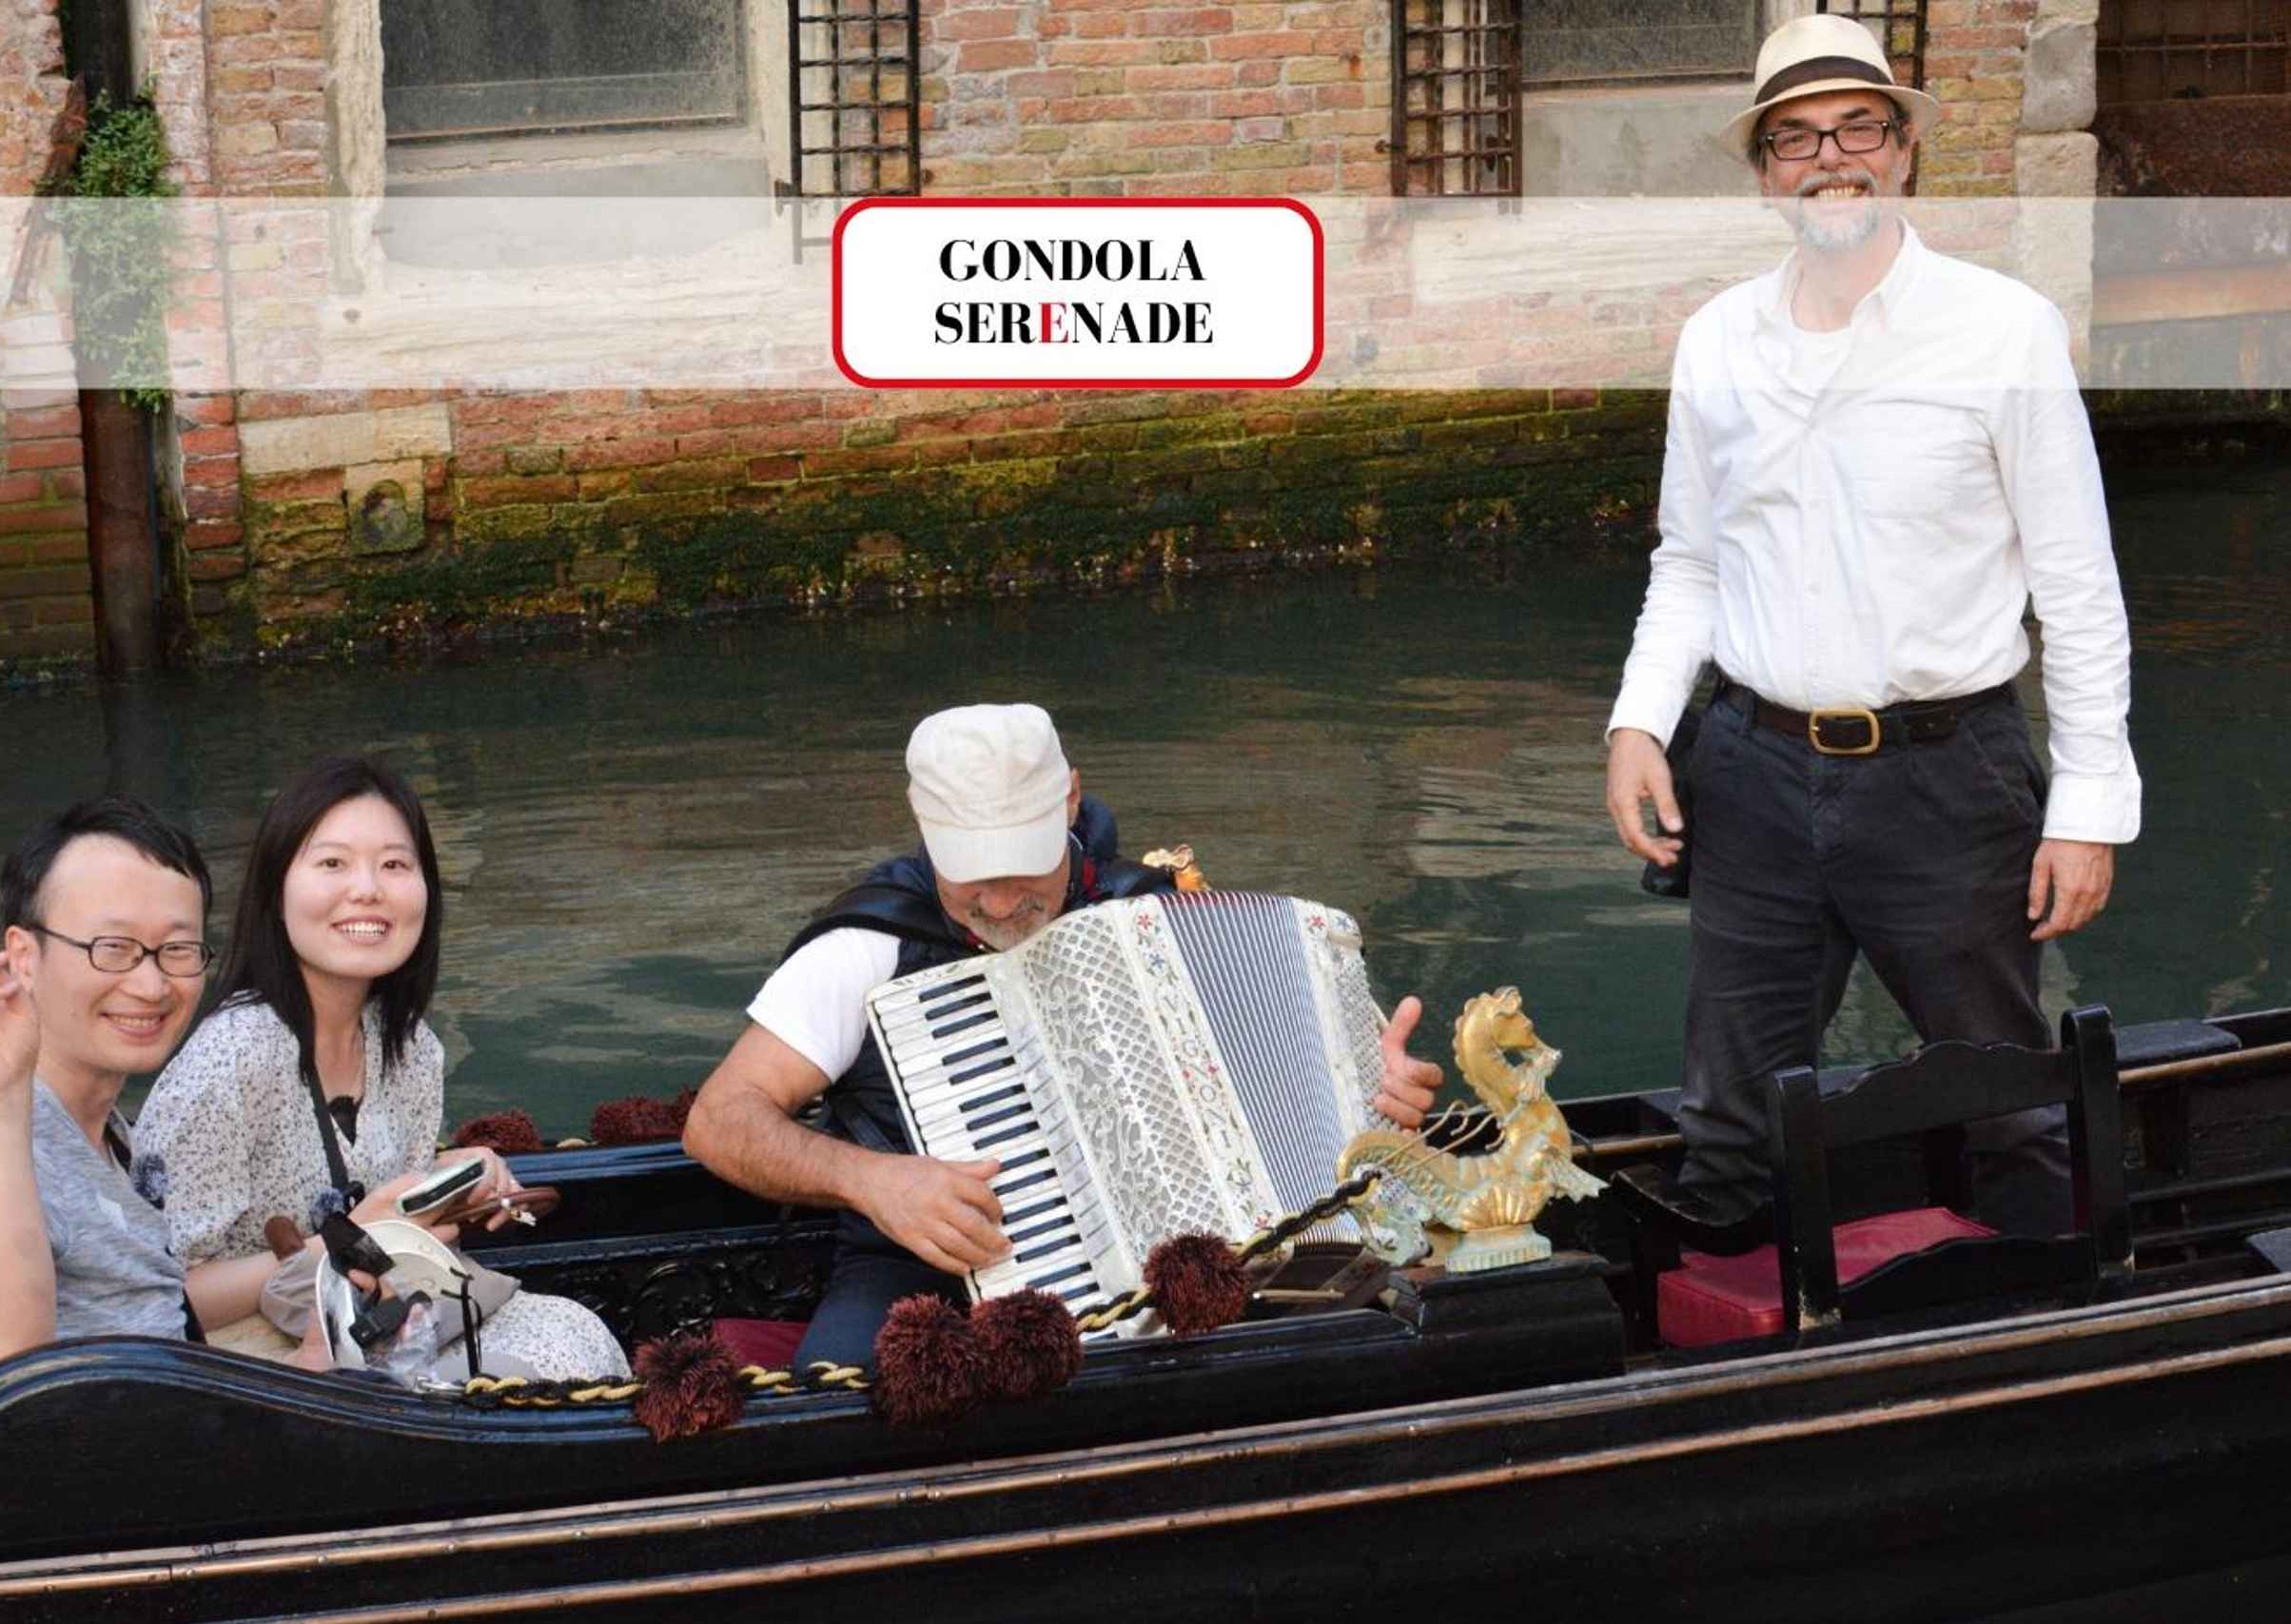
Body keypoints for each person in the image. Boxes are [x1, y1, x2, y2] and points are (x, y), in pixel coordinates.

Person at [1601, 15, 2141, 1234]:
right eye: (1795, 139)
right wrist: (1636, 725)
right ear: (1765, 174)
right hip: (1747, 770)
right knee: (1728, 1126)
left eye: (1856, 129)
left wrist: (2087, 809)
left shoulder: (2002, 330)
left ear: (1901, 151)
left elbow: (2077, 587)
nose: (1829, 159)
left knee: (2007, 1111)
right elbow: (1689, 563)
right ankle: (1737, 1325)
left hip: (1947, 775)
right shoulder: (1715, 339)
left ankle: (2046, 1323)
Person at [684, 702, 1445, 1372]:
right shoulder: (866, 944)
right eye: (972, 875)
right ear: (923, 823)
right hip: (919, 1265)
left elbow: (1303, 1085)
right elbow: (719, 1120)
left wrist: (1372, 1091)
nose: (1001, 902)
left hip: (1184, 1257)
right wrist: (875, 1182)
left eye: (1024, 867)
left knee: (1378, 1337)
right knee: (843, 1405)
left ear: (1071, 798)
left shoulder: (1155, 913)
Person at [136, 755, 628, 1381]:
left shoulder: (412, 1047)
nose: (367, 889)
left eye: (394, 864)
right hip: (256, 1367)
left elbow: (401, 1240)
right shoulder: (229, 1058)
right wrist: (351, 1239)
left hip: (385, 1323)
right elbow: (159, 1300)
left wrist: (448, 1185)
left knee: (575, 1334)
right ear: (275, 892)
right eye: (332, 864)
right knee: (540, 1375)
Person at [0, 797, 215, 1399]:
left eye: (177, 949)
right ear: (25, 958)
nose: (151, 984)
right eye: (113, 947)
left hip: (171, 1415)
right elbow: (5, 1362)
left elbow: (147, 1300)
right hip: (93, 1451)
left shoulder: (101, 1125)